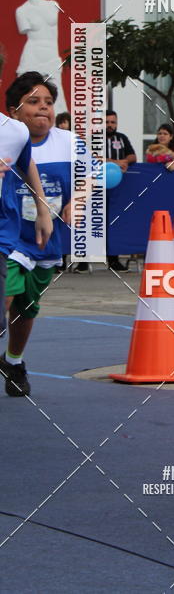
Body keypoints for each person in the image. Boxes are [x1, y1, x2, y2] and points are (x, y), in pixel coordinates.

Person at [1, 71, 55, 396]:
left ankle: (14, 361)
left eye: (48, 101)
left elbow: (27, 163)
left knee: (26, 308)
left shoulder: (65, 142)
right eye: (33, 101)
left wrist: (46, 209)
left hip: (41, 240)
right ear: (14, 108)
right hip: (11, 238)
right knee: (6, 297)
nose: (43, 107)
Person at [104, 110, 137, 273]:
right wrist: (114, 162)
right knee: (93, 222)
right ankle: (84, 262)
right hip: (95, 187)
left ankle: (113, 259)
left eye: (113, 122)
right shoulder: (93, 138)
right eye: (107, 122)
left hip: (118, 188)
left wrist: (124, 161)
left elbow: (133, 156)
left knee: (114, 222)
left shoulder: (122, 138)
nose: (110, 125)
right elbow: (91, 157)